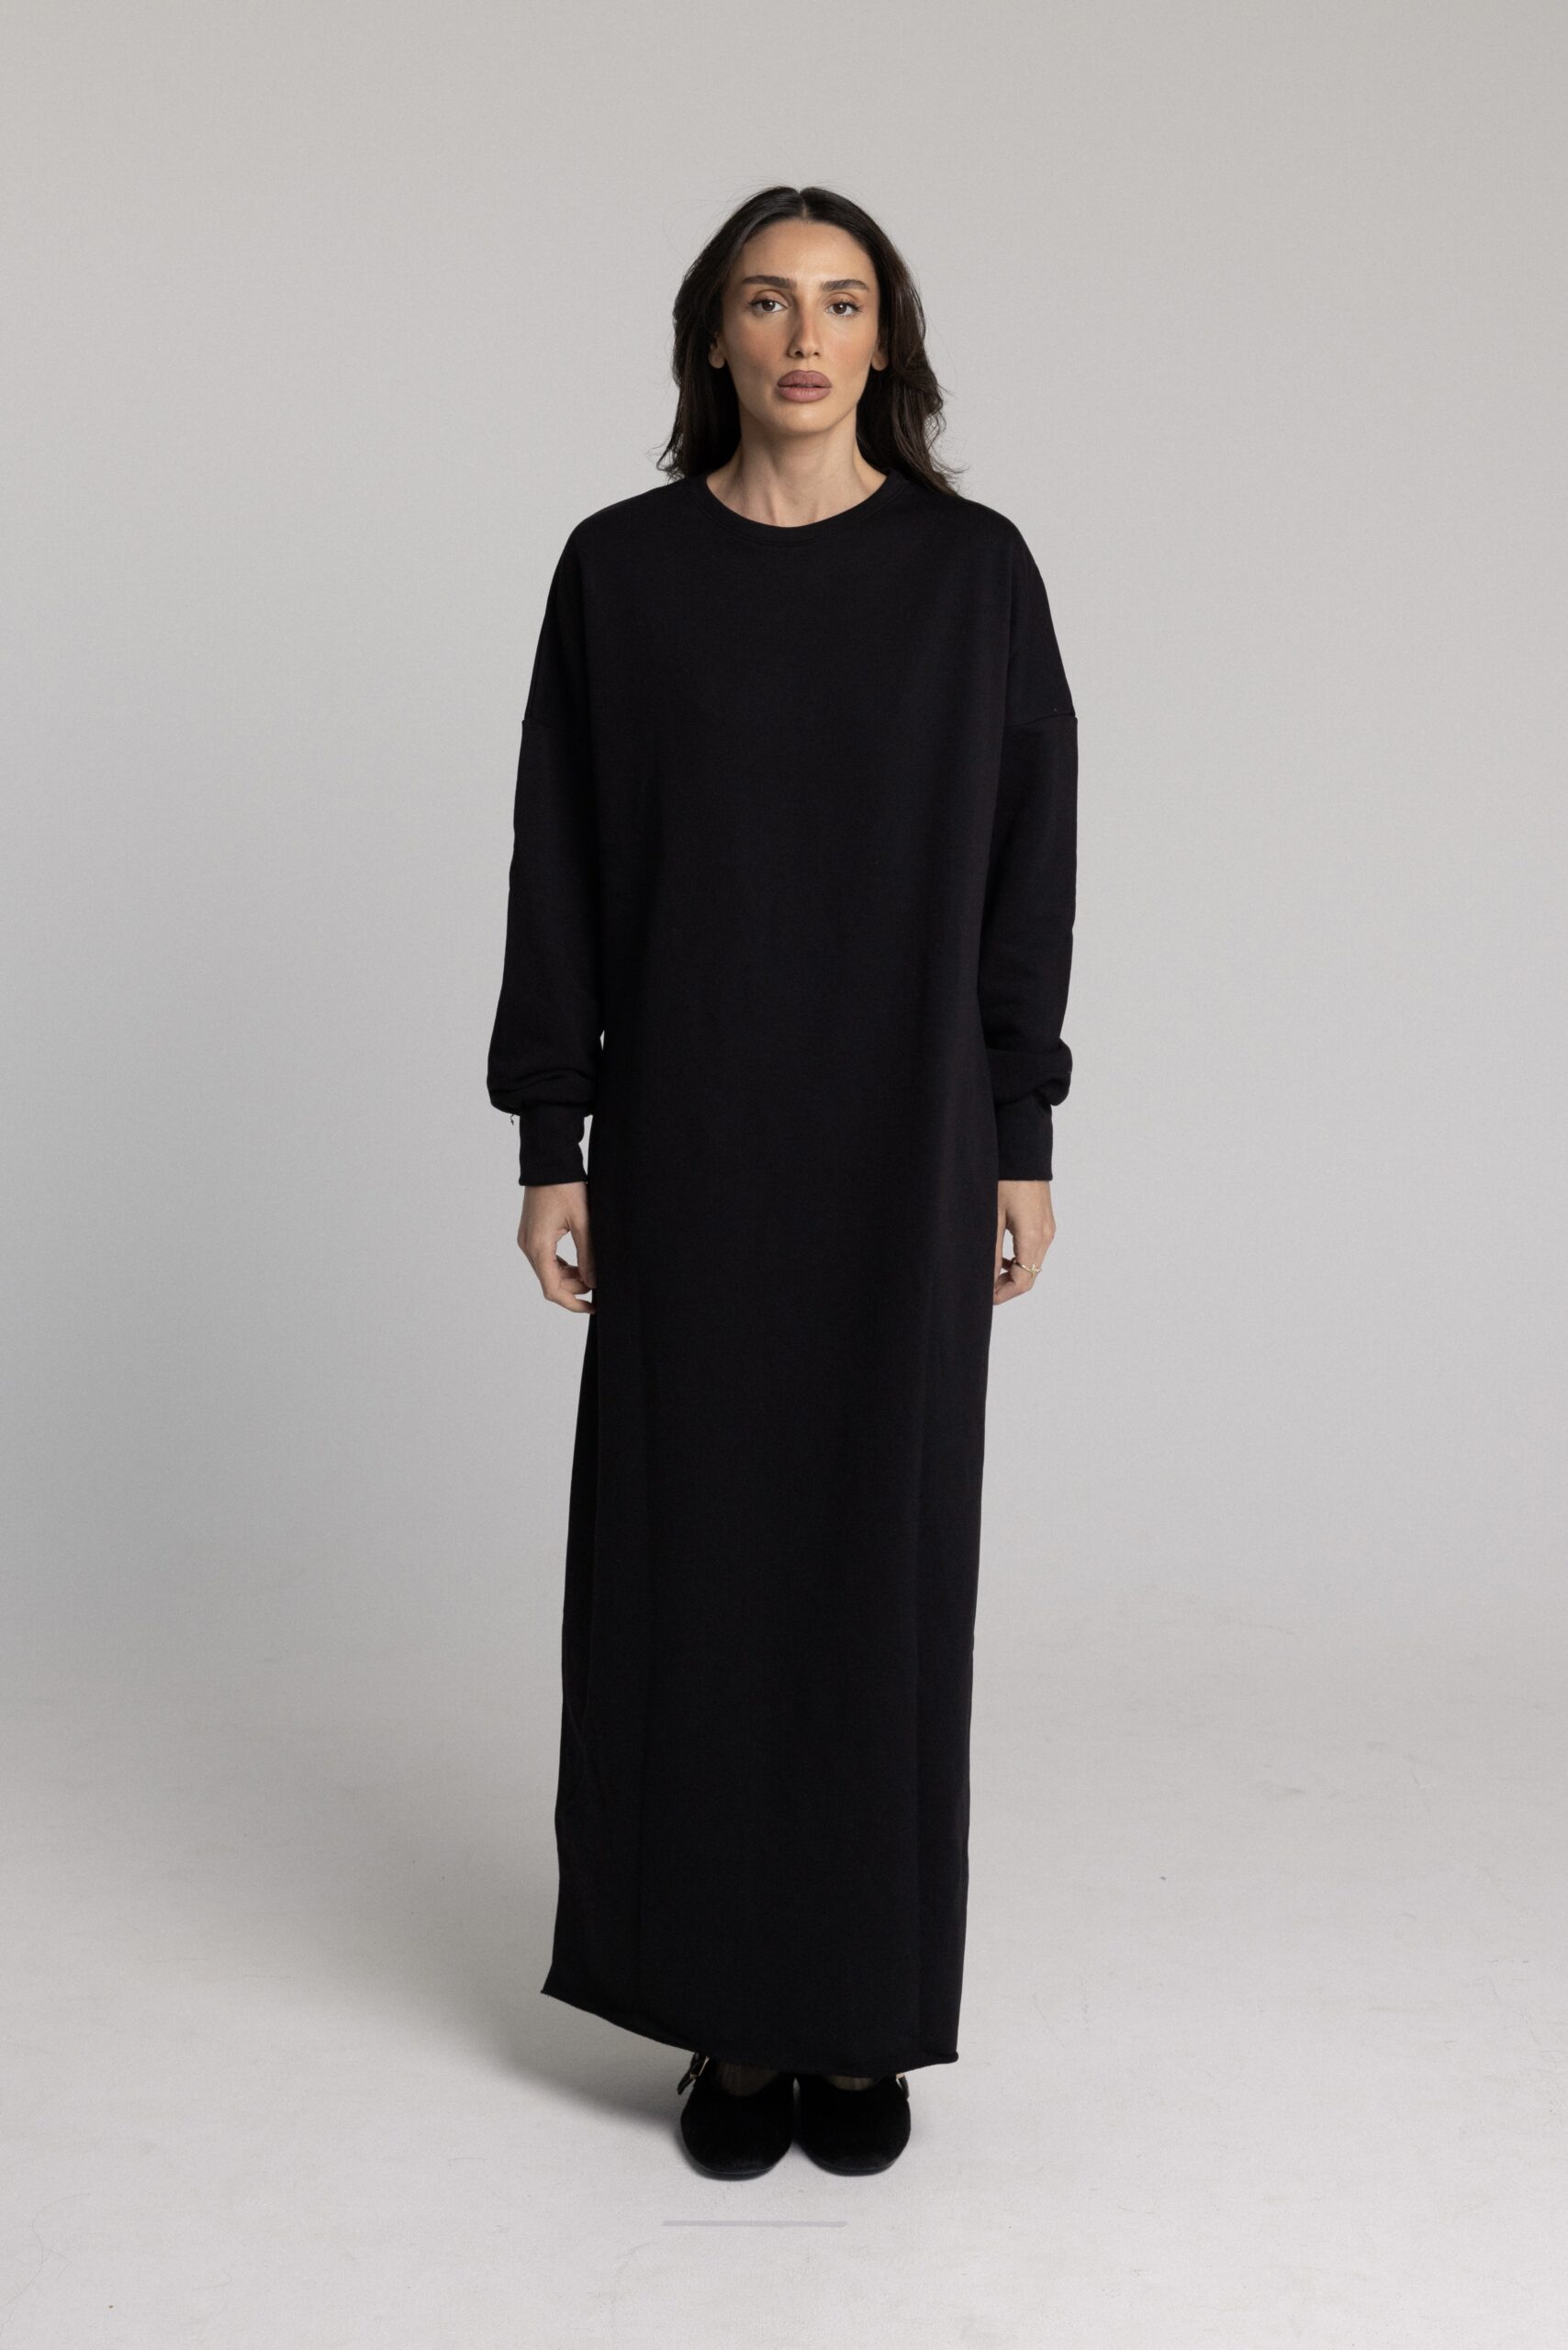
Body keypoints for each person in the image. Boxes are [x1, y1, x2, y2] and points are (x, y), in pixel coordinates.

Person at [487, 184, 1078, 2179]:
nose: (805, 336)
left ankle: (855, 2018)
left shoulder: (970, 575)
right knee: (694, 1564)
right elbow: (559, 859)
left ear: (885, 341)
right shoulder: (622, 572)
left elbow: (1027, 861)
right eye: (766, 299)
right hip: (692, 1142)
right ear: (714, 337)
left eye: (841, 300)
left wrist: (1017, 1127)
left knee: (876, 1566)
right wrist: (552, 1134)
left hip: (904, 1143)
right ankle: (725, 2024)